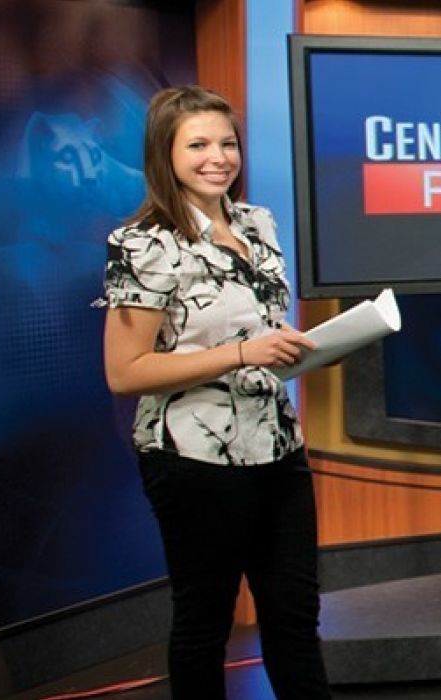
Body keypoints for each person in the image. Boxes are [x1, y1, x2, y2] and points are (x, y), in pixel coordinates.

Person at [96, 86, 329, 699]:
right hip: (192, 459)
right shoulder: (144, 244)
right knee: (205, 625)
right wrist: (242, 354)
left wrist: (289, 347)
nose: (218, 157)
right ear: (164, 154)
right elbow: (125, 371)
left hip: (278, 448)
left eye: (227, 143)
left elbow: (255, 329)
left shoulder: (257, 223)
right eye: (198, 144)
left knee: (295, 619)